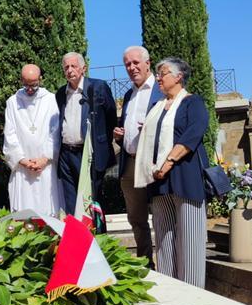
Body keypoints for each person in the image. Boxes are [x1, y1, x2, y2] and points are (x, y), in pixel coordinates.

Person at [134, 57, 209, 288]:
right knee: (164, 238)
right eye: (157, 73)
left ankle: (194, 292)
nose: (158, 77)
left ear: (178, 77)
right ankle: (170, 288)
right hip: (158, 182)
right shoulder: (157, 107)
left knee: (190, 238)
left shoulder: (192, 103)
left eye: (163, 73)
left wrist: (167, 162)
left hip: (184, 177)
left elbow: (193, 134)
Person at [113, 45, 162, 263]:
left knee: (162, 214)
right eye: (127, 65)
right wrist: (119, 135)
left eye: (135, 63)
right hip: (131, 162)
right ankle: (145, 262)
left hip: (154, 163)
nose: (132, 68)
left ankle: (167, 260)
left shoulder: (161, 90)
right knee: (136, 217)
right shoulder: (128, 94)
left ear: (147, 63)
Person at [55, 52, 117, 222]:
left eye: (73, 66)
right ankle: (76, 241)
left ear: (83, 68)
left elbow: (111, 116)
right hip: (66, 154)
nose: (69, 70)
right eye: (66, 67)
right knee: (71, 201)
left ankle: (98, 240)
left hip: (90, 153)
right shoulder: (60, 94)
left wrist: (100, 140)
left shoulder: (98, 87)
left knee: (92, 201)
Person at [2, 64, 62, 215]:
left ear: (40, 80)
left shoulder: (51, 100)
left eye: (34, 85)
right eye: (26, 84)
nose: (30, 89)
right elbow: (10, 134)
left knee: (49, 210)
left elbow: (55, 131)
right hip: (23, 169)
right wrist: (22, 160)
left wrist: (45, 158)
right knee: (24, 212)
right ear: (21, 80)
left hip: (46, 167)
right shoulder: (12, 102)